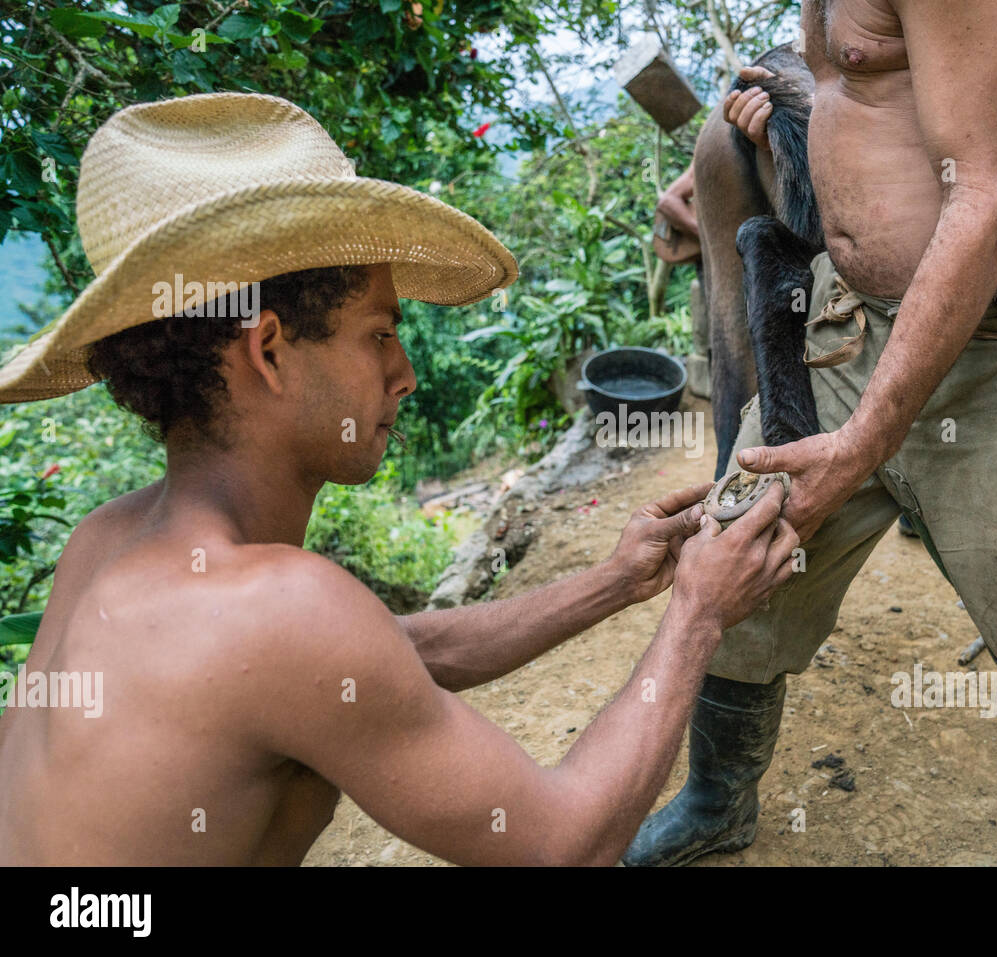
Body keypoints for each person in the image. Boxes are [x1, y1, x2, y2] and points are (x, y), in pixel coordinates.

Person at [0, 92, 800, 866]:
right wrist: (697, 611)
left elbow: (385, 653)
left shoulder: (106, 539)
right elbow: (563, 845)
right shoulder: (281, 614)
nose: (407, 372)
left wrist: (619, 582)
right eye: (379, 334)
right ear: (268, 350)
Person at [624, 0, 997, 868]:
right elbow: (872, 85)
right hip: (854, 320)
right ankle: (718, 794)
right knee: (740, 554)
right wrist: (796, 109)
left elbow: (990, 194)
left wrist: (865, 440)